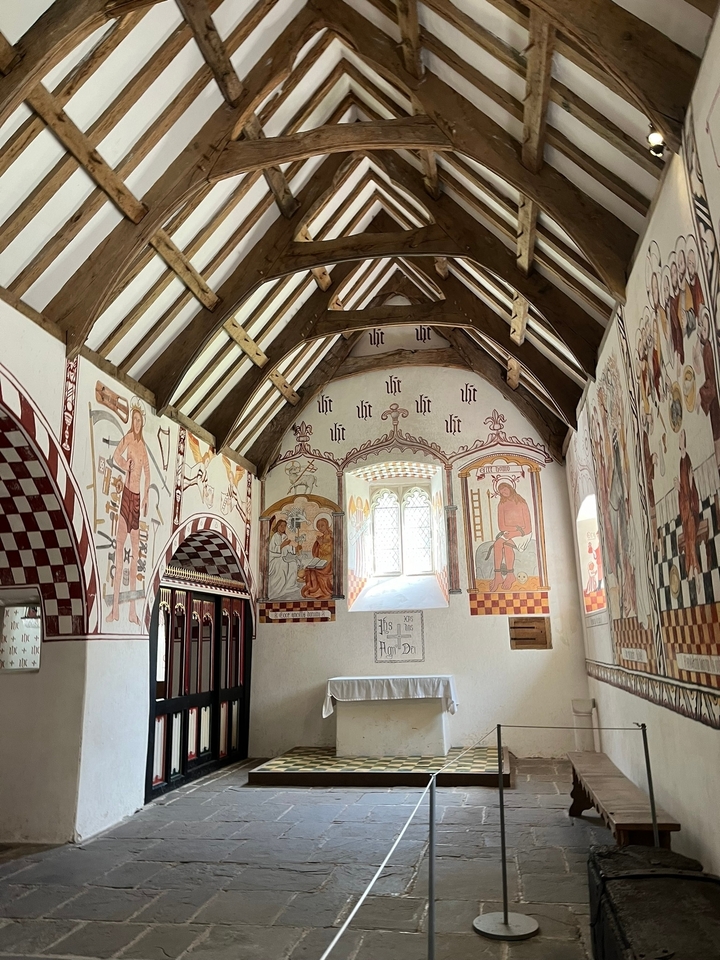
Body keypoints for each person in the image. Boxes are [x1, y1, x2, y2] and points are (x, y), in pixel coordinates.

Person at [107, 403, 150, 624]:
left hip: (136, 502)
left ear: (142, 423)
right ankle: (115, 610)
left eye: (139, 420)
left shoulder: (143, 448)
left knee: (135, 556)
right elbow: (116, 455)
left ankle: (132, 612)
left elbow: (148, 473)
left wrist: (146, 497)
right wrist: (125, 465)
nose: (136, 423)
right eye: (134, 419)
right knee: (119, 550)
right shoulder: (129, 440)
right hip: (125, 496)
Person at [488, 482, 532, 592]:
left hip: (523, 535)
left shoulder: (521, 502)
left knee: (507, 545)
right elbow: (502, 526)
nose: (504, 492)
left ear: (510, 487)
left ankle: (510, 575)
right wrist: (513, 530)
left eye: (505, 489)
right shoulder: (501, 504)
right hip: (509, 532)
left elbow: (528, 528)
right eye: (501, 491)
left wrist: (515, 532)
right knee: (497, 544)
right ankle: (498, 576)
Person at [675, 429, 702, 580]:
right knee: (688, 531)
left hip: (692, 510)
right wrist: (679, 489)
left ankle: (692, 568)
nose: (681, 439)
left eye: (682, 436)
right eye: (680, 436)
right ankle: (694, 567)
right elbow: (683, 492)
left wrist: (689, 485)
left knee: (690, 525)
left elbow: (691, 491)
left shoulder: (687, 459)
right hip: (686, 511)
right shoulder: (681, 462)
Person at [299, 516, 334, 600]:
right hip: (320, 560)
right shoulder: (320, 538)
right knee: (310, 569)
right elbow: (315, 551)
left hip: (329, 561)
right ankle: (314, 589)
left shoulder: (331, 537)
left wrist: (321, 543)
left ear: (327, 525)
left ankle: (324, 591)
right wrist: (318, 544)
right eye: (318, 526)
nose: (320, 527)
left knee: (318, 571)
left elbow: (331, 551)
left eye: (322, 525)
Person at [267, 518, 301, 600]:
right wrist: (283, 544)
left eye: (284, 526)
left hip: (283, 557)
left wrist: (295, 548)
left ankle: (289, 586)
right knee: (283, 565)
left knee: (293, 564)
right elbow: (272, 549)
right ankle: (278, 589)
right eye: (281, 526)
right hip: (274, 558)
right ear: (278, 526)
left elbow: (288, 548)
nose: (283, 527)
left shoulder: (284, 536)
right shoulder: (275, 536)